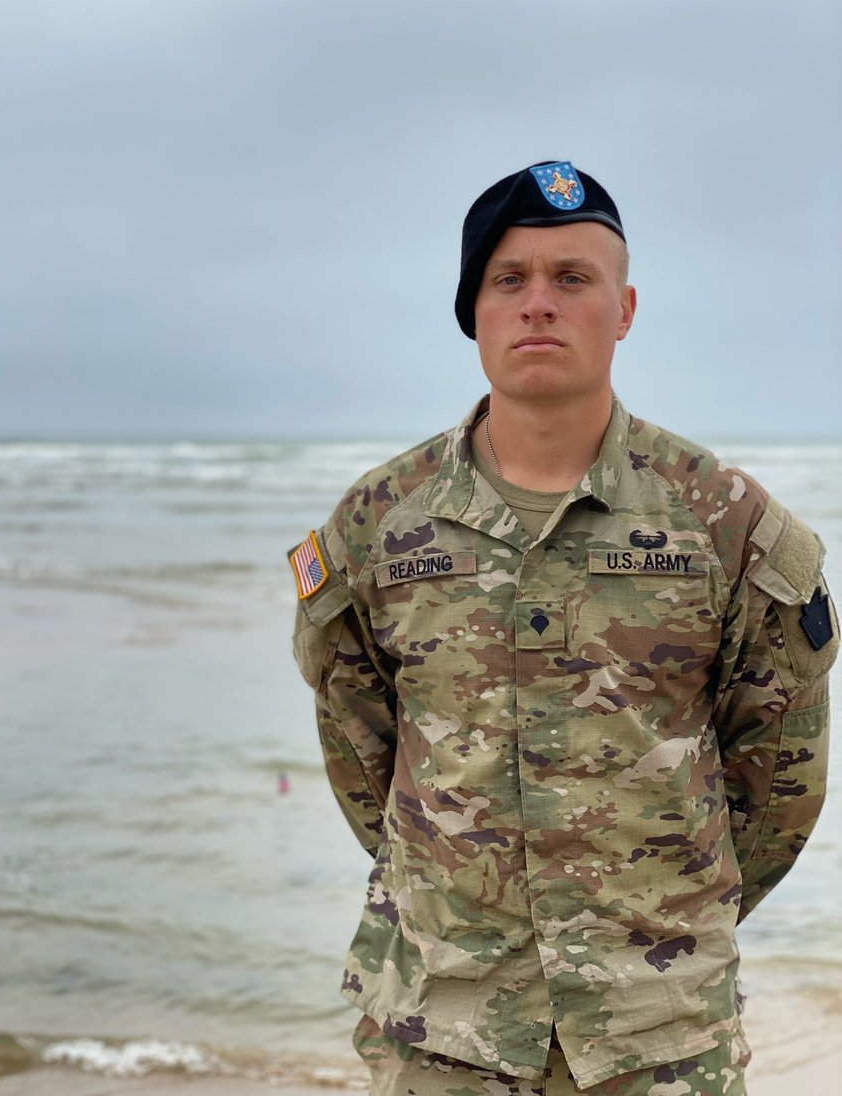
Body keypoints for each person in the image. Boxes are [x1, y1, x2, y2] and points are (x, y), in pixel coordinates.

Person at [288, 161, 836, 1096]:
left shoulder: (723, 520)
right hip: (442, 1028)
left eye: (573, 278)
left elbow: (779, 770)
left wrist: (660, 921)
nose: (539, 303)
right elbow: (361, 747)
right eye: (510, 280)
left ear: (623, 309)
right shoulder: (378, 523)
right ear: (474, 311)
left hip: (658, 1036)